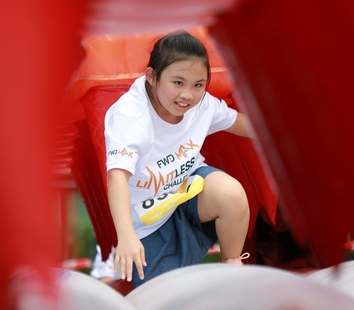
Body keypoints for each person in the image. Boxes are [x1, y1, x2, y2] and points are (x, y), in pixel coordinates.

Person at [104, 30, 254, 287]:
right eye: (178, 83)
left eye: (198, 85)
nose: (188, 95)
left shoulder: (202, 104)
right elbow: (116, 177)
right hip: (146, 222)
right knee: (158, 292)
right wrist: (127, 236)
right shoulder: (131, 116)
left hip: (187, 192)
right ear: (152, 76)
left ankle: (231, 273)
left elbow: (239, 123)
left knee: (231, 195)